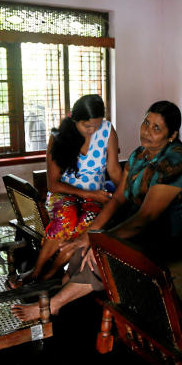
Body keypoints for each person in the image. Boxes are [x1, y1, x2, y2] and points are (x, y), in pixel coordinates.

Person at [12, 100, 182, 321]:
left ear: (172, 135)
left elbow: (146, 217)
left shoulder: (175, 163)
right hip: (146, 225)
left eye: (157, 128)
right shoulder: (140, 156)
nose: (146, 131)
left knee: (103, 253)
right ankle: (66, 284)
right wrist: (90, 235)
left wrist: (101, 241)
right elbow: (117, 198)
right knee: (82, 242)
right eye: (146, 123)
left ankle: (53, 305)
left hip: (175, 235)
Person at [19, 94, 121, 285]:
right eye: (87, 126)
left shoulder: (107, 131)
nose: (92, 131)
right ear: (74, 119)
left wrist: (126, 194)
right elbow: (53, 184)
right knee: (67, 219)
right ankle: (36, 271)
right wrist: (89, 194)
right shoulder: (59, 137)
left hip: (95, 198)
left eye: (96, 126)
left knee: (85, 227)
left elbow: (114, 170)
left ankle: (51, 273)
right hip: (63, 194)